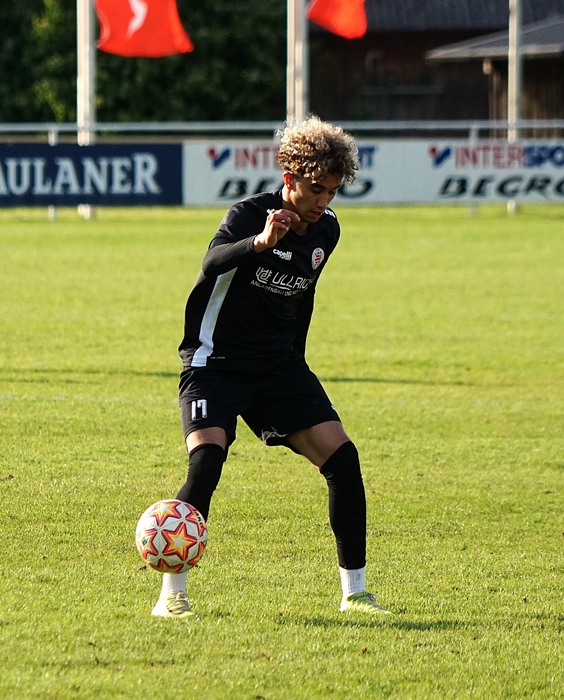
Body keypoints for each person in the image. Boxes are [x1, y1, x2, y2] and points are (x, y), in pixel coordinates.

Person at [150, 116, 390, 618]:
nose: (323, 200)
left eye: (332, 191)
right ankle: (172, 595)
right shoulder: (248, 215)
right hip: (215, 362)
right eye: (315, 189)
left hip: (279, 367)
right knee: (206, 462)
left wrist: (297, 361)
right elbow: (212, 262)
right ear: (290, 179)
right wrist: (259, 244)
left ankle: (356, 594)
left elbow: (303, 297)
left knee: (343, 461)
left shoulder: (327, 230)